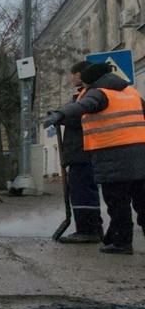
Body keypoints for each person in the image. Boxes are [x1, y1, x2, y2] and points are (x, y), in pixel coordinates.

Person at [44, 61, 145, 255]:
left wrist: (59, 114)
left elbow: (83, 106)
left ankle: (122, 243)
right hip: (140, 155)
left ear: (90, 80)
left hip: (114, 157)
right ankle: (114, 237)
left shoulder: (100, 92)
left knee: (118, 203)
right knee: (142, 202)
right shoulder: (131, 92)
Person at [55, 61, 104, 243]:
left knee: (83, 190)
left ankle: (88, 230)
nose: (71, 78)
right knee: (81, 190)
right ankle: (93, 228)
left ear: (80, 75)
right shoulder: (86, 95)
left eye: (73, 74)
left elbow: (81, 116)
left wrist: (62, 115)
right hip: (84, 151)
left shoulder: (93, 95)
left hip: (85, 152)